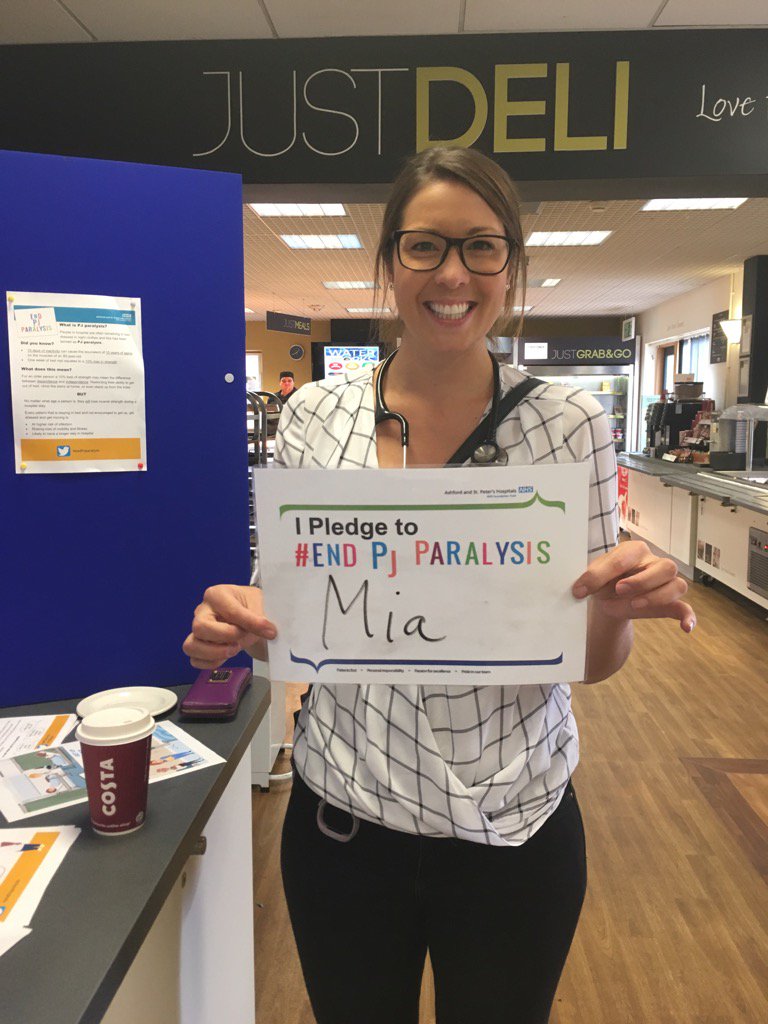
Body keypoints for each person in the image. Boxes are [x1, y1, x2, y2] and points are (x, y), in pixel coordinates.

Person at [183, 147, 695, 1024]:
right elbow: (287, 623)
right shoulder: (315, 416)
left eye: (481, 246)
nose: (452, 274)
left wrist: (615, 611)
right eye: (424, 245)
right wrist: (231, 626)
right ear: (390, 261)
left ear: (510, 265)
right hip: (345, 824)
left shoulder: (569, 424)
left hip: (517, 830)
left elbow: (592, 663)